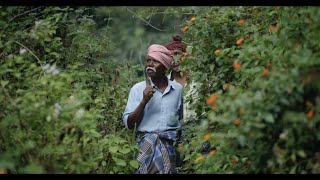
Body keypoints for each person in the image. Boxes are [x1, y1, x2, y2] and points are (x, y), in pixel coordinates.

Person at [122, 44, 183, 174]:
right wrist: (144, 101)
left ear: (165, 66)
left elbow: (180, 121)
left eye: (155, 61)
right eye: (148, 60)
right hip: (145, 147)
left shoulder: (177, 90)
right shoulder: (138, 89)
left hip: (170, 148)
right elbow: (129, 124)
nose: (150, 64)